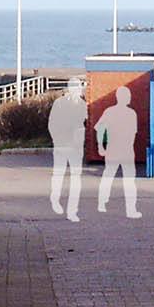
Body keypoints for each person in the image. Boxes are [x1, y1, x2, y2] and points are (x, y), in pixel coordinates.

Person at [95, 86, 141, 219]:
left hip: (113, 149)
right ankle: (131, 210)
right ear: (125, 98)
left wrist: (100, 146)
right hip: (126, 150)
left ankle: (102, 203)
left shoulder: (109, 111)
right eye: (128, 96)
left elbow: (100, 128)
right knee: (129, 180)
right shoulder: (132, 113)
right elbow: (133, 133)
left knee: (108, 176)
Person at [46, 78, 87, 222]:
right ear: (70, 89)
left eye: (79, 88)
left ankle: (72, 211)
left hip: (76, 147)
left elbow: (85, 123)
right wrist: (55, 139)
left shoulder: (83, 104)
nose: (78, 91)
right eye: (75, 88)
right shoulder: (59, 103)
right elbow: (51, 122)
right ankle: (55, 199)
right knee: (59, 174)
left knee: (76, 178)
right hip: (61, 144)